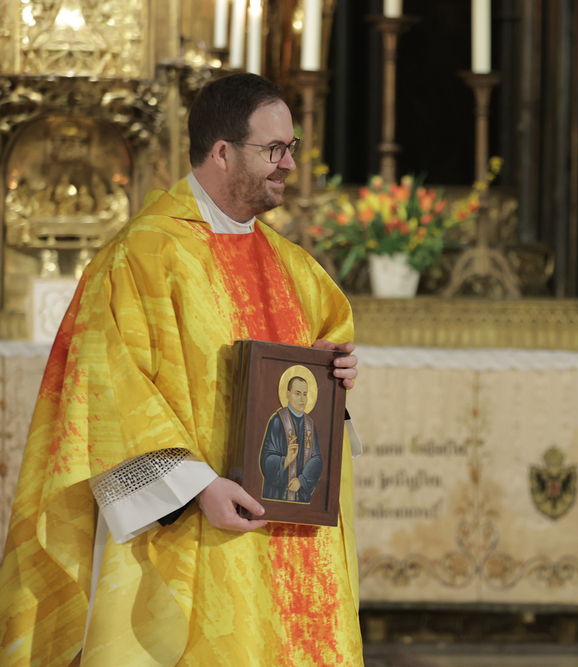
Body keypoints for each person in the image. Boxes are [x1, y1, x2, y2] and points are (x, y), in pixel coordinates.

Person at [0, 73, 364, 666]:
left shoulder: (295, 269)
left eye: (291, 147)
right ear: (222, 152)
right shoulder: (141, 257)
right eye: (274, 149)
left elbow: (315, 378)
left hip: (292, 542)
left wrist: (336, 376)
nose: (290, 165)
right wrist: (197, 488)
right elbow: (107, 395)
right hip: (188, 533)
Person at [261, 376, 322, 502]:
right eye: (297, 394)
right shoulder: (277, 421)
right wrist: (286, 460)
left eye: (305, 394)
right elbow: (267, 459)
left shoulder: (310, 425)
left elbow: (316, 459)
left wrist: (302, 480)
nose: (302, 399)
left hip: (300, 495)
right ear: (288, 395)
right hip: (278, 494)